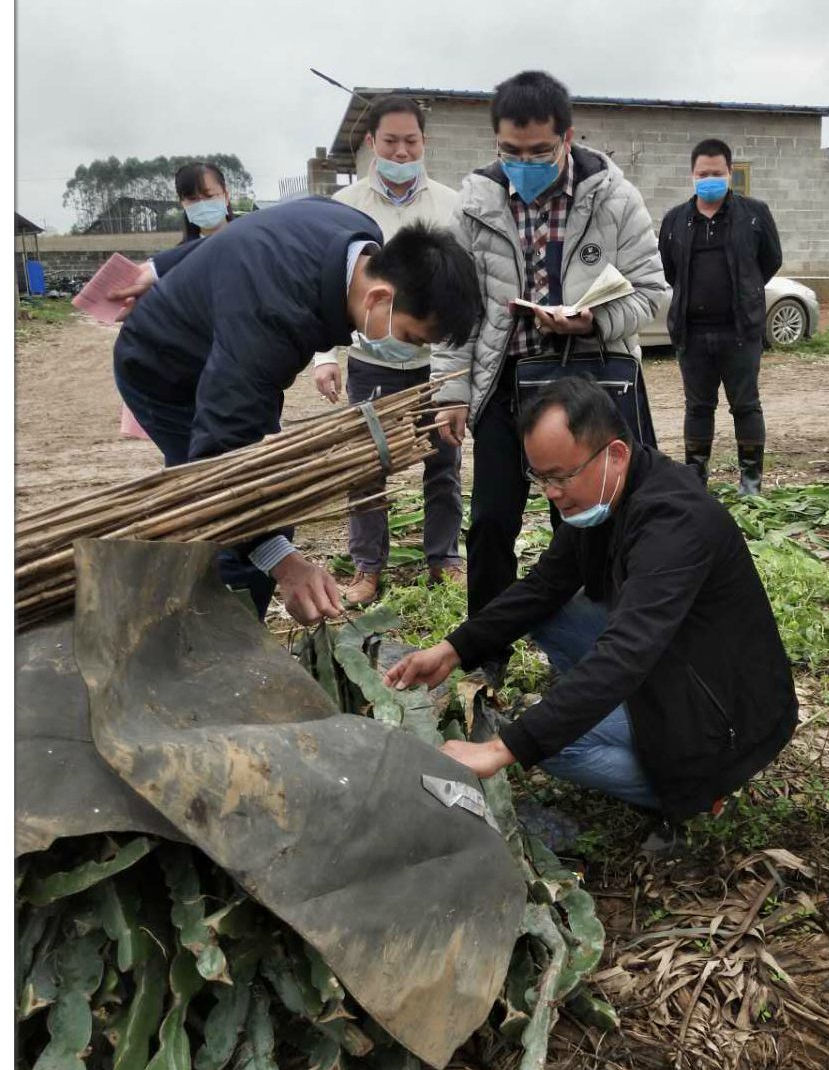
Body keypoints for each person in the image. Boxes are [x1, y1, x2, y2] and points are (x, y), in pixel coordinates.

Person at [384, 376, 797, 847]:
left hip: (724, 715)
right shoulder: (607, 494)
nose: (551, 493)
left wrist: (505, 748)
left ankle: (701, 788)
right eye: (541, 478)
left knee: (552, 747)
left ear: (615, 454)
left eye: (560, 476)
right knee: (550, 610)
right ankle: (615, 721)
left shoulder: (674, 522)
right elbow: (543, 587)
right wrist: (454, 649)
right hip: (674, 665)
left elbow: (624, 655)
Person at [111, 197, 481, 626]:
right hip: (164, 369)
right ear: (380, 296)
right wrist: (284, 563)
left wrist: (159, 268)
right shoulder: (274, 317)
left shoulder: (355, 233)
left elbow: (244, 232)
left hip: (223, 352)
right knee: (226, 505)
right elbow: (222, 458)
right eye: (409, 337)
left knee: (269, 491)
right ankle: (225, 629)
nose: (410, 351)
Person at [433, 69, 667, 676]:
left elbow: (652, 295)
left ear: (567, 137)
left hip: (589, 386)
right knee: (490, 523)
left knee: (598, 521)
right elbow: (457, 312)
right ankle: (485, 656)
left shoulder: (615, 199)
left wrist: (591, 322)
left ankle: (612, 646)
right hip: (508, 387)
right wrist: (453, 393)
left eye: (540, 151)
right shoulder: (476, 204)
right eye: (510, 152)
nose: (525, 163)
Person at [313, 94, 464, 605]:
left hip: (435, 365)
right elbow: (328, 285)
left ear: (425, 143)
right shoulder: (345, 208)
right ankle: (368, 568)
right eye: (391, 142)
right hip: (372, 362)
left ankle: (443, 557)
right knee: (366, 468)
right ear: (372, 144)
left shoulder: (450, 205)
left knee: (444, 462)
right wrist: (325, 356)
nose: (402, 153)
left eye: (411, 142)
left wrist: (459, 368)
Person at [659, 138, 783, 493]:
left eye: (716, 173)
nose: (709, 178)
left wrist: (745, 291)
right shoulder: (675, 221)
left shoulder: (755, 213)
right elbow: (670, 270)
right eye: (702, 173)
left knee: (745, 406)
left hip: (740, 332)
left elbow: (770, 261)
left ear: (730, 173)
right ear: (692, 175)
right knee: (698, 407)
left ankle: (751, 481)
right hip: (692, 335)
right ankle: (696, 480)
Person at [110, 161, 236, 317]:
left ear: (226, 196)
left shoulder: (252, 238)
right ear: (183, 204)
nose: (202, 204)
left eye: (209, 196)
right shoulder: (173, 260)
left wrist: (159, 267)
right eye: (193, 199)